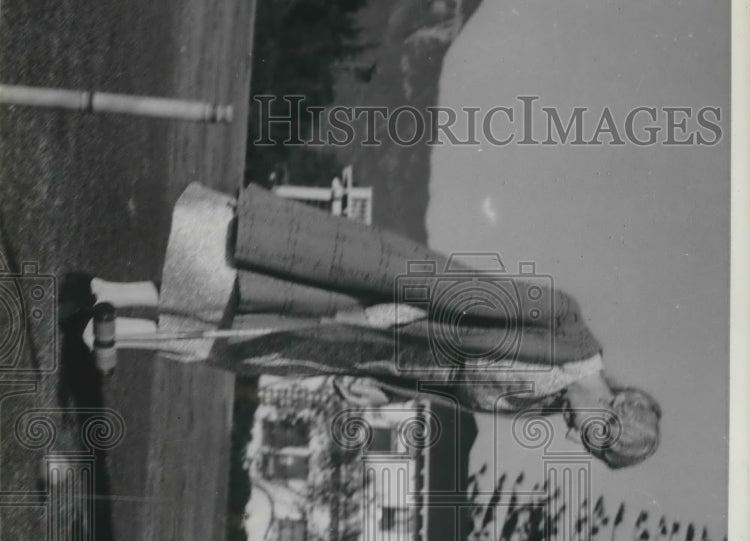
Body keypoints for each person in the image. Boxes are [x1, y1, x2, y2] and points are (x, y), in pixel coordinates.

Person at [65, 181, 661, 470]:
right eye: (593, 439)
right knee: (257, 294)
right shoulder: (564, 324)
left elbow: (454, 391)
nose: (576, 439)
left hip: (382, 356)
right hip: (397, 305)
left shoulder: (548, 404)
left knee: (261, 337)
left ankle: (127, 328)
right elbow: (469, 293)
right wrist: (383, 310)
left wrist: (383, 388)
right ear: (614, 411)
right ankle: (112, 298)